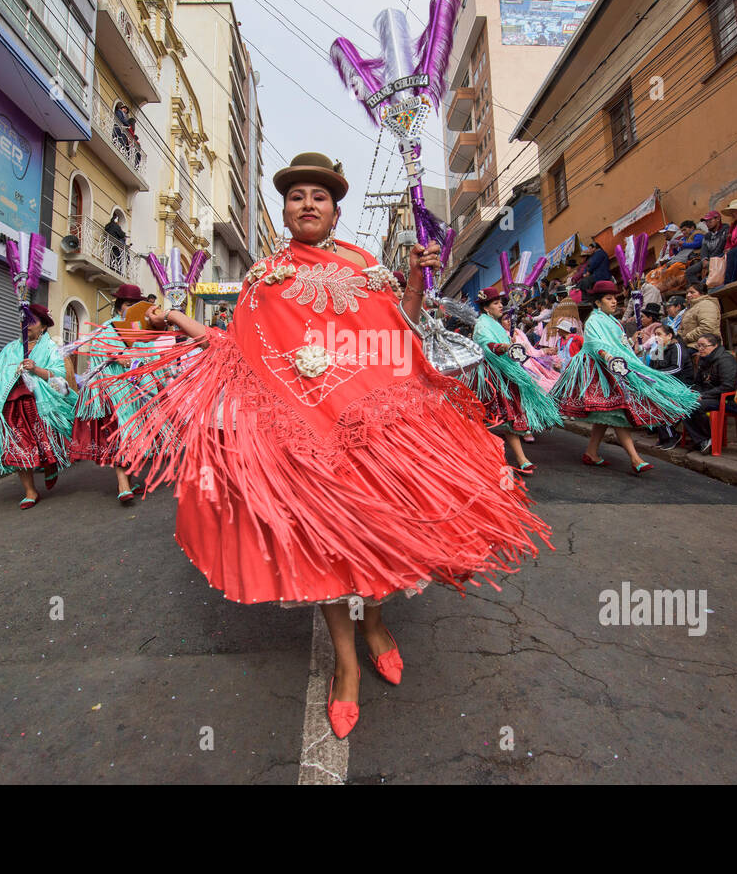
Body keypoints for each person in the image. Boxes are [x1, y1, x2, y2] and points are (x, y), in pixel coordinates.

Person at [93, 151, 550, 739]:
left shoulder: (363, 264)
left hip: (370, 431)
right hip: (304, 438)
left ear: (335, 211)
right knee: (328, 549)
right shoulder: (264, 276)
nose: (307, 204)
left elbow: (398, 330)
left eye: (319, 196)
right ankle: (347, 665)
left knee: (376, 533)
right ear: (285, 210)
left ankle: (376, 626)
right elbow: (237, 349)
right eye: (296, 196)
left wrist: (414, 278)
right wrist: (182, 323)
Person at [552, 280, 698, 473]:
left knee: (607, 415)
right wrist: (608, 355)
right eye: (609, 298)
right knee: (616, 413)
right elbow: (595, 344)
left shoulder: (612, 321)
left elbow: (619, 344)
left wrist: (632, 345)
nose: (614, 301)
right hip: (601, 373)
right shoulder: (594, 320)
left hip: (614, 370)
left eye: (614, 298)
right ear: (598, 302)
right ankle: (635, 458)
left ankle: (591, 452)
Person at [0, 304, 76, 509]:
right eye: (24, 321)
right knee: (19, 448)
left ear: (44, 326)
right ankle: (30, 491)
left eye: (32, 321)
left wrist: (35, 369)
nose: (26, 325)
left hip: (39, 404)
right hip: (12, 406)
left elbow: (58, 376)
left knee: (45, 443)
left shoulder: (51, 349)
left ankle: (50, 465)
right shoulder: (10, 349)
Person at [70, 284, 170, 503]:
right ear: (118, 306)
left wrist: (147, 368)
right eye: (128, 304)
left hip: (140, 392)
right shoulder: (107, 329)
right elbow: (97, 355)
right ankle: (123, 485)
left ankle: (128, 480)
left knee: (135, 437)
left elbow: (151, 355)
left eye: (135, 304)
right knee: (122, 435)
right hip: (115, 392)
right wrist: (116, 357)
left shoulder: (141, 329)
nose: (131, 308)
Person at [470, 287, 563, 473]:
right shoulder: (482, 324)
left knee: (508, 416)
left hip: (505, 374)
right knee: (482, 419)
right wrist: (502, 347)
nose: (500, 306)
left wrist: (509, 346)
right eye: (496, 303)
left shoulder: (495, 324)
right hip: (489, 378)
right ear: (486, 308)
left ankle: (520, 458)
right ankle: (480, 456)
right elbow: (486, 344)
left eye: (500, 303)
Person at [680, 334, 737, 453]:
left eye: (704, 346)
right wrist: (695, 393)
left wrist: (703, 395)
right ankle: (702, 440)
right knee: (683, 404)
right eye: (698, 346)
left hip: (727, 398)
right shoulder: (703, 360)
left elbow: (727, 386)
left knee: (695, 406)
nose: (700, 349)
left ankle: (706, 439)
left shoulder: (725, 360)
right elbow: (698, 383)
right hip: (710, 396)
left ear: (715, 345)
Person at [647, 324, 694, 449]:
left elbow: (677, 368)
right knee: (649, 397)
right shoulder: (658, 349)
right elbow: (652, 368)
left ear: (669, 336)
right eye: (655, 335)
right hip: (665, 384)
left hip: (680, 385)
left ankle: (672, 436)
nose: (656, 337)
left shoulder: (677, 347)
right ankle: (666, 436)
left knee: (660, 401)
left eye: (659, 334)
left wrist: (657, 375)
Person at [686, 211, 727, 286]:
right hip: (708, 260)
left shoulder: (725, 230)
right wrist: (704, 259)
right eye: (706, 222)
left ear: (718, 219)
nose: (707, 224)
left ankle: (705, 285)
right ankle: (700, 288)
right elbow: (703, 249)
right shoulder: (707, 235)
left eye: (710, 221)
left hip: (720, 257)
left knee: (709, 267)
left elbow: (720, 247)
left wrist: (709, 260)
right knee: (689, 272)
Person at [678, 282, 722, 348]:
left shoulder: (707, 304)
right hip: (689, 344)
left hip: (705, 345)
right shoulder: (689, 308)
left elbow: (706, 328)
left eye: (692, 292)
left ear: (702, 293)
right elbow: (681, 329)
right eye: (687, 293)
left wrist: (686, 338)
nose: (688, 295)